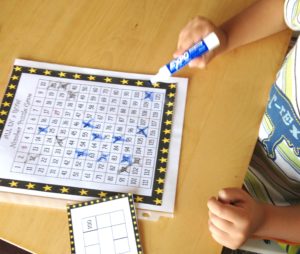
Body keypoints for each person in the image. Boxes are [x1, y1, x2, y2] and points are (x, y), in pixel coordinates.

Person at [174, 0, 300, 253]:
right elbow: (284, 9)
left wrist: (263, 220)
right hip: (234, 142)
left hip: (271, 215)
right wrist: (224, 37)